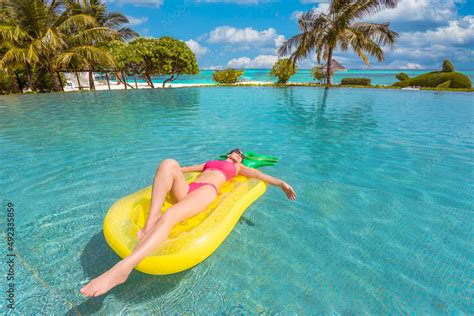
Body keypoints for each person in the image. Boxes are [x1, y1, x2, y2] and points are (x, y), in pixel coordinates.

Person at [80, 148, 297, 297]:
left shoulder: (238, 169)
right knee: (168, 162)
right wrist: (166, 174)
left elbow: (259, 175)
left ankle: (122, 269)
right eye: (235, 152)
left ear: (241, 160)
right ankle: (150, 222)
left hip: (206, 192)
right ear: (229, 152)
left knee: (171, 215)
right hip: (187, 190)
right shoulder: (210, 163)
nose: (237, 155)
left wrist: (282, 184)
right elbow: (183, 170)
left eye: (241, 155)